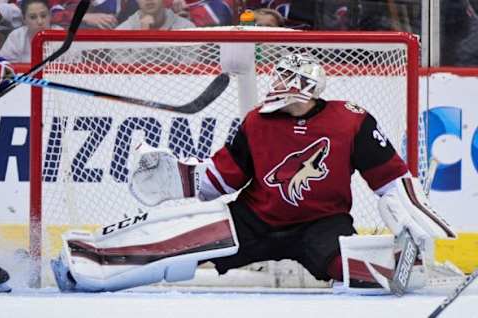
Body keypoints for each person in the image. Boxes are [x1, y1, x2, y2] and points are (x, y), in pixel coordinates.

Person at [49, 53, 456, 294]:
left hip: (321, 223)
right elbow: (219, 181)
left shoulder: (351, 120)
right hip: (255, 218)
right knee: (187, 240)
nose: (276, 86)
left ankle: (407, 265)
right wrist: (175, 176)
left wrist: (410, 213)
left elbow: (389, 178)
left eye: (285, 80)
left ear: (307, 88)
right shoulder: (257, 121)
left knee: (344, 266)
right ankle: (93, 264)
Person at [116, 0, 194, 30]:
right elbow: (123, 65)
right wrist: (143, 36)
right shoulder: (121, 32)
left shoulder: (186, 27)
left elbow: (191, 64)